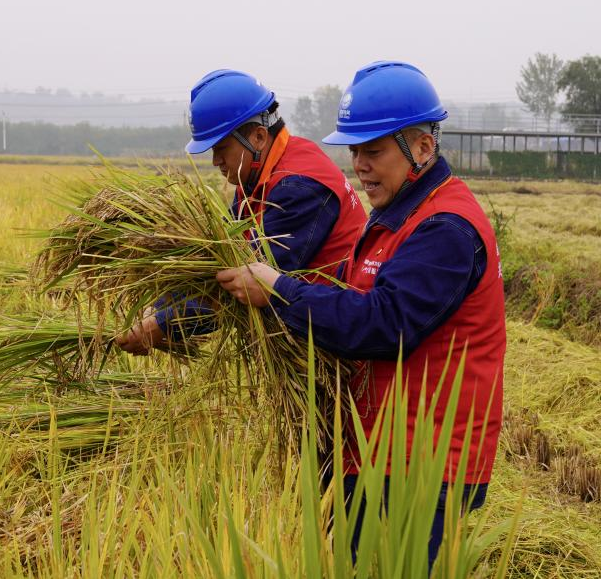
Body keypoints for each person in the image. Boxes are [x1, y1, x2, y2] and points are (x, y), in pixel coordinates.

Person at [215, 61, 506, 564]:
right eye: (354, 151)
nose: (360, 165)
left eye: (373, 151)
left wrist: (281, 291)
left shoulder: (446, 229)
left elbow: (381, 326)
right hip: (378, 448)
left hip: (424, 464)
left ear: (421, 147)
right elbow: (348, 301)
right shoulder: (398, 217)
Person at [114, 68, 367, 353]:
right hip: (310, 330)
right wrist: (158, 308)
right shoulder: (258, 174)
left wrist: (161, 324)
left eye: (221, 149)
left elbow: (245, 283)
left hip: (340, 341)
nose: (215, 161)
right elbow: (220, 257)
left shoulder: (298, 186)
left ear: (258, 137)